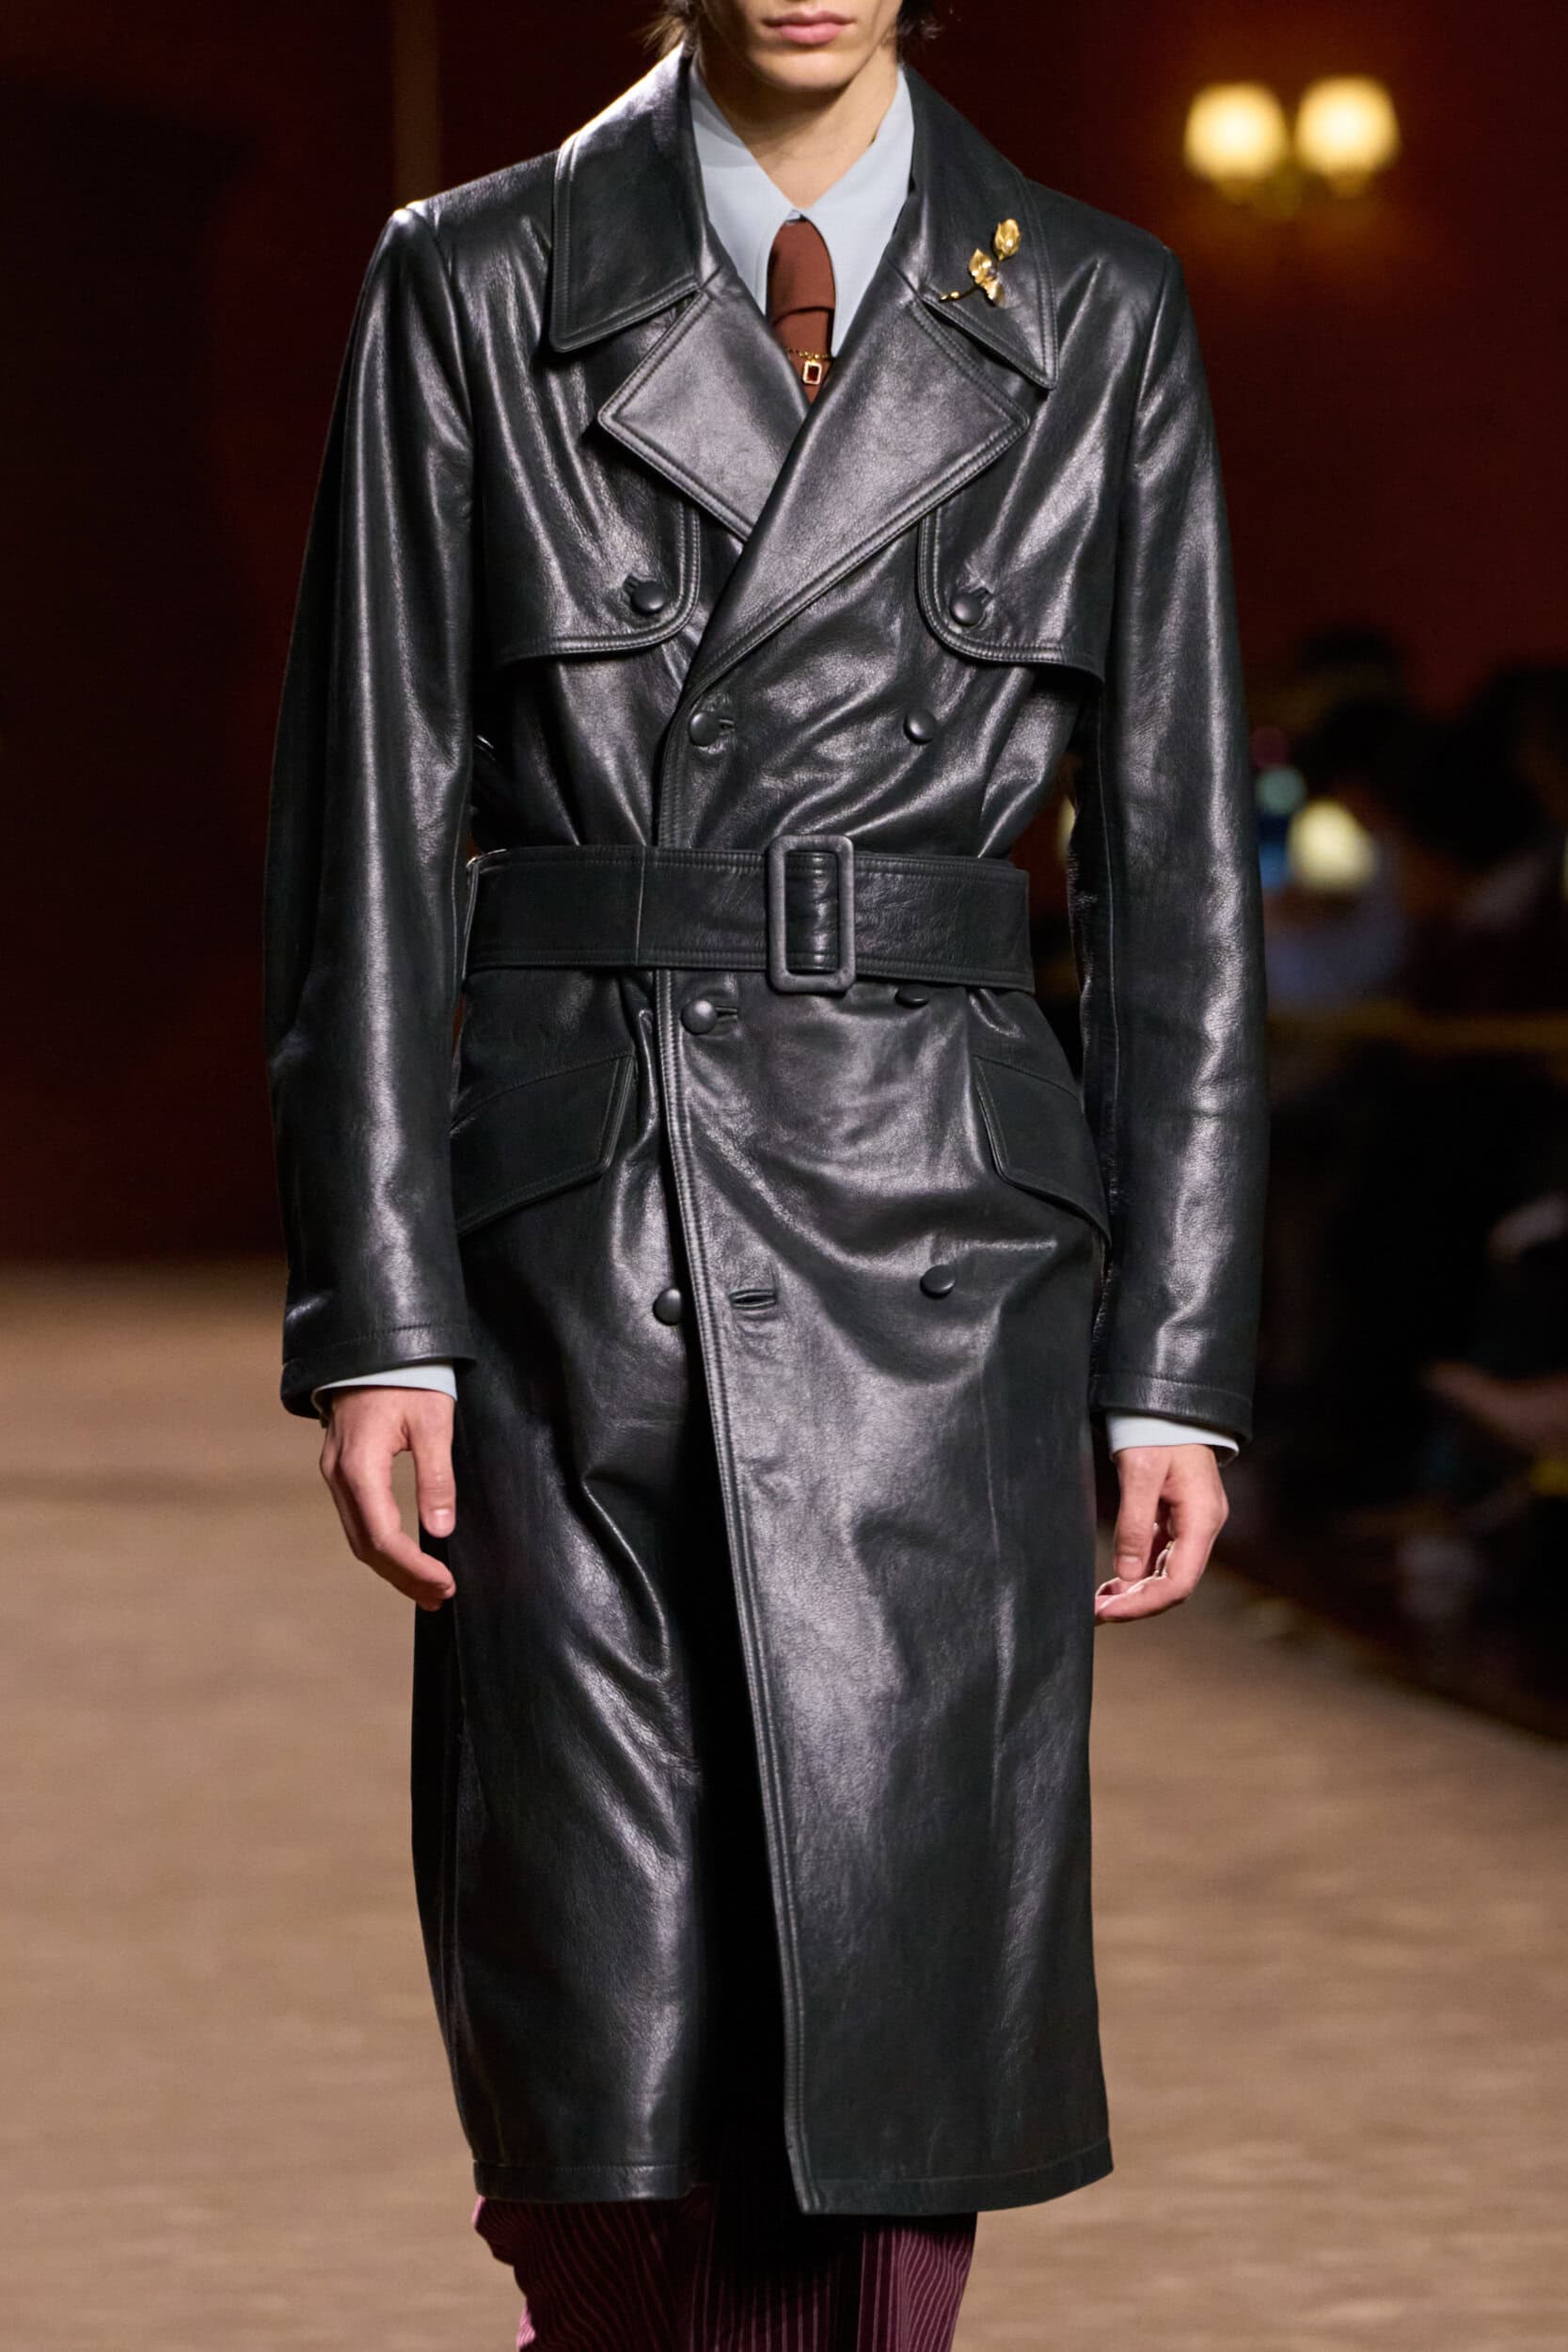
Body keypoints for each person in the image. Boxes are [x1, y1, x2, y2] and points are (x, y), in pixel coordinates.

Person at [262, 2, 1268, 2344]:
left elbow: (1177, 875)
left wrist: (1179, 1357)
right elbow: (367, 832)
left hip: (948, 1238)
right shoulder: (473, 278)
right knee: (597, 2008)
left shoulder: (1092, 306)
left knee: (891, 2002)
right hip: (574, 1230)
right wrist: (375, 1311)